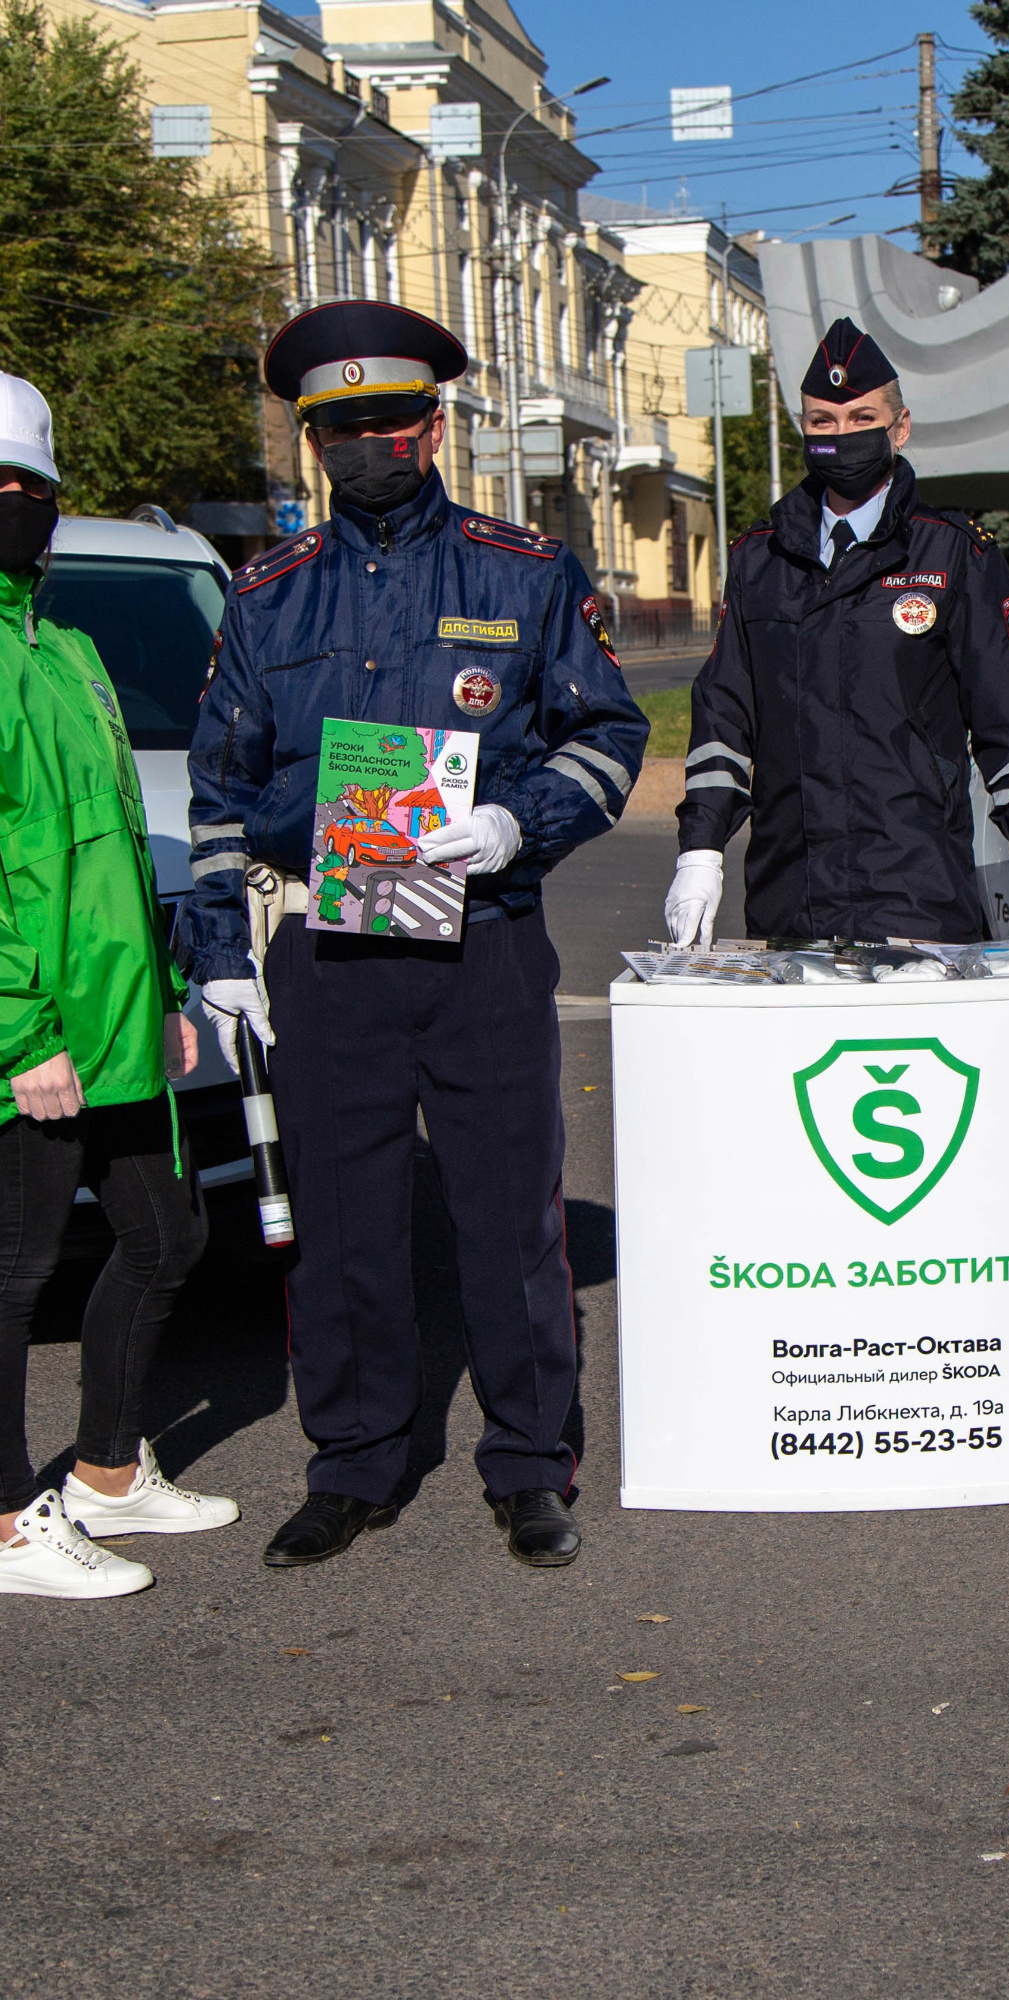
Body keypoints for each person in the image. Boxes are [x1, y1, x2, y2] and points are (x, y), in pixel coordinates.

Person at [181, 302, 646, 1570]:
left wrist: (516, 821)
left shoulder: (523, 571)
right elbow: (217, 789)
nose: (366, 445)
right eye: (338, 429)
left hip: (483, 942)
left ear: (433, 424)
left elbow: (608, 734)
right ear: (312, 442)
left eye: (389, 421)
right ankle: (355, 1460)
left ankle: (529, 1463)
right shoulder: (271, 595)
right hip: (328, 954)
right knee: (342, 1222)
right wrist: (219, 948)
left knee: (509, 1218)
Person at [0, 370, 235, 1600]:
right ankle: (6, 1525)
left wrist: (165, 990)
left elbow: (115, 851)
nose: (16, 503)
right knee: (10, 1268)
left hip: (115, 1013)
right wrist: (18, 1034)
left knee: (170, 1232)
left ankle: (110, 1473)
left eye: (34, 484)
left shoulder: (64, 649)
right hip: (17, 1031)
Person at [664, 317, 1009, 948]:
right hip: (790, 900)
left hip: (919, 896)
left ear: (899, 429)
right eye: (822, 422)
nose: (841, 436)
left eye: (861, 419)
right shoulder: (759, 560)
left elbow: (1008, 724)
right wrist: (701, 853)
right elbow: (724, 719)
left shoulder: (952, 553)